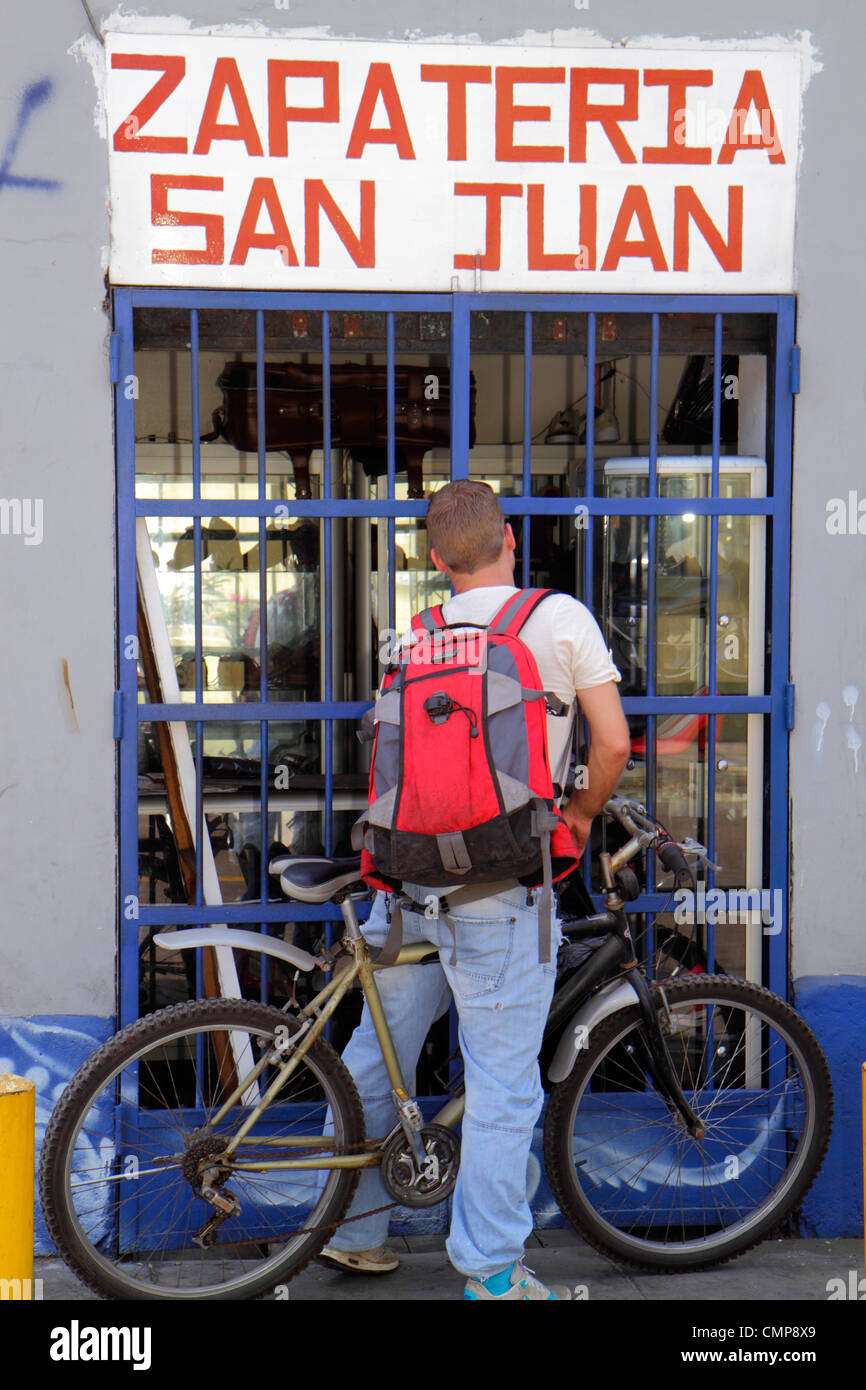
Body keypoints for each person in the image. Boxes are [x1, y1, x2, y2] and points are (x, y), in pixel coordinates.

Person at [320, 480, 630, 1300]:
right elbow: (613, 740)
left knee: (376, 1057)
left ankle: (347, 1230)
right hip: (503, 885)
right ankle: (491, 1270)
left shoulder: (415, 638)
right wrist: (581, 815)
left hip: (407, 884)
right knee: (501, 1085)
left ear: (434, 559)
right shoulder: (557, 620)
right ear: (511, 543)